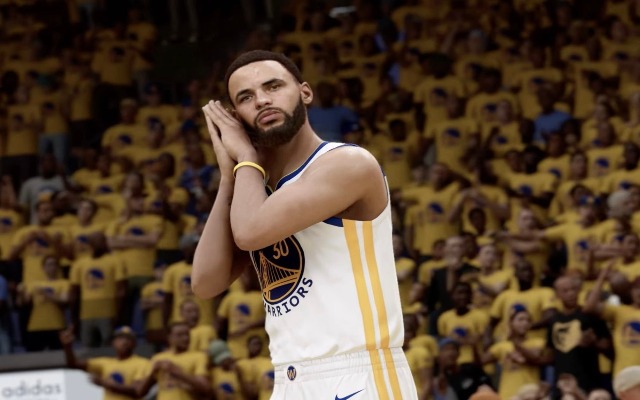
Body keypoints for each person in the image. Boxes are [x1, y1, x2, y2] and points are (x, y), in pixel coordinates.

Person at [193, 50, 417, 399]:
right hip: (289, 377)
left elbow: (250, 233)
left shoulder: (347, 163)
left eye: (273, 86)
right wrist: (229, 175)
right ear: (236, 118)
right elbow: (206, 283)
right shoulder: (255, 191)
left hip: (359, 373)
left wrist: (247, 158)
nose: (262, 100)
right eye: (246, 97)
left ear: (305, 92)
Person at [59, 325, 150, 400]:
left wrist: (105, 383)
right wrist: (67, 347)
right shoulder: (105, 363)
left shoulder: (143, 363)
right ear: (113, 343)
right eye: (120, 338)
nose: (124, 342)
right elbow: (74, 364)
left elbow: (137, 391)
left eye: (129, 339)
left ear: (135, 344)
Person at [136, 322, 211, 400]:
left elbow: (205, 388)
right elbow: (140, 392)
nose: (185, 338)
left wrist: (178, 373)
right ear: (169, 337)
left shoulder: (199, 356)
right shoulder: (158, 358)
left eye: (187, 335)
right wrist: (153, 373)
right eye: (180, 335)